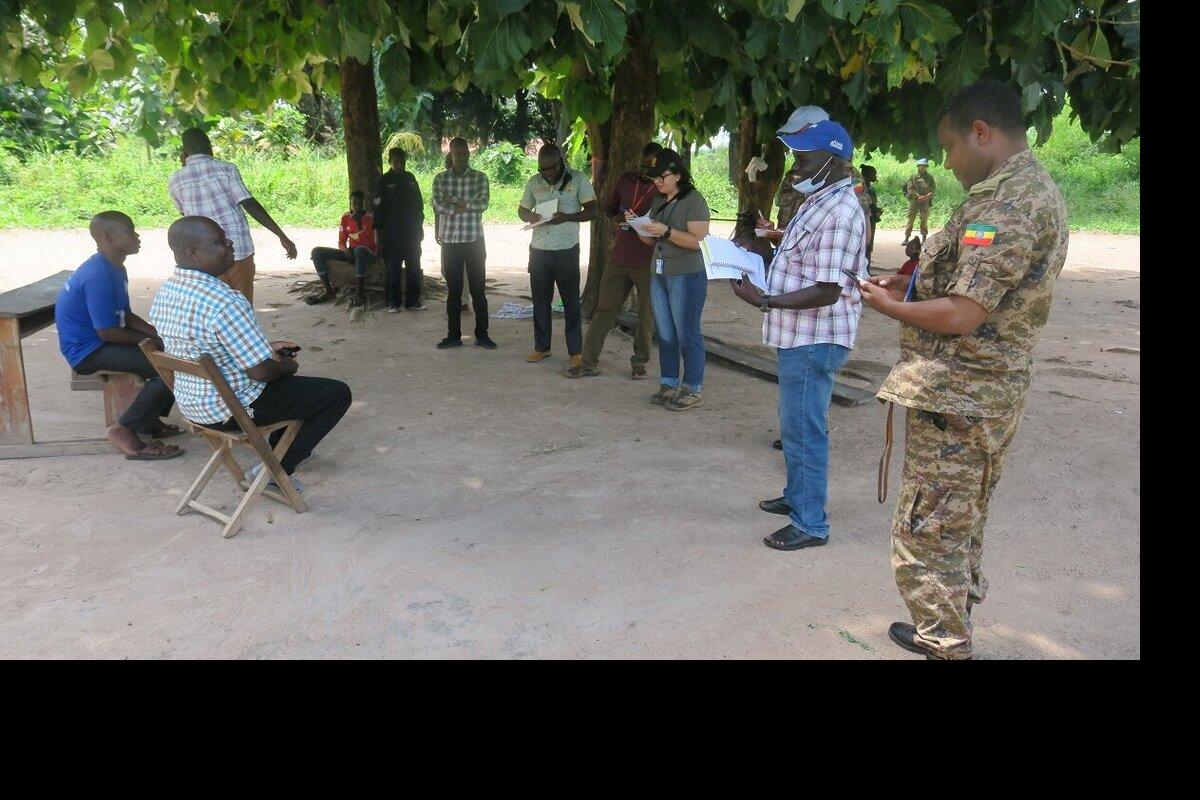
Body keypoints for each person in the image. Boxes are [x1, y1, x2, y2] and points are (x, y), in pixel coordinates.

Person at [859, 80, 1069, 660]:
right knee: (959, 519)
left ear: (981, 132)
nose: (948, 162)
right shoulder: (1019, 191)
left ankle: (945, 642)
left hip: (962, 394)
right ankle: (945, 627)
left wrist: (889, 306)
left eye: (950, 147)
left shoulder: (1008, 205)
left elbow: (963, 313)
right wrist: (908, 282)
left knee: (928, 529)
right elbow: (971, 281)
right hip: (980, 392)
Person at [731, 120, 865, 551]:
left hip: (815, 337)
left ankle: (810, 523)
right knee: (794, 424)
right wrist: (759, 252)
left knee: (805, 428)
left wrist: (765, 301)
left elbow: (828, 290)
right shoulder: (819, 201)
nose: (795, 167)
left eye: (804, 158)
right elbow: (801, 258)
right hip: (798, 334)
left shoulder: (841, 213)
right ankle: (797, 496)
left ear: (833, 161)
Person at [150, 216, 352, 491]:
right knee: (335, 393)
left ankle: (280, 449)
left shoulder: (168, 291)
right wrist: (286, 365)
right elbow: (261, 372)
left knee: (293, 388)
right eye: (219, 242)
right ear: (193, 254)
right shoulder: (225, 300)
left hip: (192, 403)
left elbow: (204, 345)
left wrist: (266, 349)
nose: (230, 244)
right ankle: (276, 470)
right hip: (229, 408)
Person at [55, 211, 183, 460]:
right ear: (108, 238)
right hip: (87, 351)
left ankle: (148, 421)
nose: (137, 236)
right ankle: (124, 429)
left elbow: (125, 315)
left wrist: (159, 334)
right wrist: (148, 342)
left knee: (170, 352)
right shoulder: (98, 276)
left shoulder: (113, 267)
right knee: (166, 368)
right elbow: (107, 332)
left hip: (100, 341)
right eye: (130, 231)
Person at [168, 127, 297, 304]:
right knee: (243, 305)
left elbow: (186, 217)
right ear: (210, 149)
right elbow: (249, 203)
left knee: (215, 305)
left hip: (205, 256)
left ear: (184, 154)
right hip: (237, 248)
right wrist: (282, 236)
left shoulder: (175, 179)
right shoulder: (227, 169)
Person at [569, 141, 661, 380]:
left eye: (652, 167)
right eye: (644, 165)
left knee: (646, 315)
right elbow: (608, 208)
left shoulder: (663, 190)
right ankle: (588, 362)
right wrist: (619, 218)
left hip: (647, 260)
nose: (647, 171)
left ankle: (639, 362)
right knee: (604, 309)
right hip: (620, 256)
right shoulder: (626, 181)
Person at [630, 148, 710, 411]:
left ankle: (692, 387)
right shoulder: (658, 200)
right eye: (654, 178)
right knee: (665, 332)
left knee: (687, 333)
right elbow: (650, 241)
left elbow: (698, 242)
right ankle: (668, 383)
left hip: (686, 274)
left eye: (662, 177)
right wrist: (638, 226)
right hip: (659, 272)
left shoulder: (693, 200)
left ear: (678, 174)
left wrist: (665, 230)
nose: (657, 182)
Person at [518, 143, 597, 372]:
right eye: (543, 169)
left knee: (570, 302)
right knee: (540, 301)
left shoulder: (578, 180)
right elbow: (522, 210)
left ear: (561, 162)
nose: (548, 173)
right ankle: (542, 347)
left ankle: (575, 352)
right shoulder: (534, 182)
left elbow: (593, 210)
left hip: (566, 250)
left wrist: (567, 217)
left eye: (551, 168)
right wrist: (531, 216)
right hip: (539, 249)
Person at [431, 138, 495, 349]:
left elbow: (482, 203)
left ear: (469, 153)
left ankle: (482, 335)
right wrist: (465, 206)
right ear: (451, 154)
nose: (462, 155)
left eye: (465, 152)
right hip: (451, 242)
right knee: (453, 292)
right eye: (458, 152)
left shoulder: (479, 178)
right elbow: (437, 205)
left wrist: (455, 201)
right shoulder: (440, 179)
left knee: (478, 291)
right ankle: (453, 336)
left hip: (474, 240)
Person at [374, 147, 425, 312]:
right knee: (393, 268)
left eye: (402, 161)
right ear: (390, 162)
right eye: (395, 161)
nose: (399, 164)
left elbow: (419, 204)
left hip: (411, 231)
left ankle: (412, 301)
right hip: (392, 233)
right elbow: (378, 210)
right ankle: (392, 303)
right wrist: (378, 236)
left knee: (414, 266)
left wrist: (420, 226)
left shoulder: (410, 178)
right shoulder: (383, 181)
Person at [306, 191, 376, 306]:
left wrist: (358, 222)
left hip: (366, 253)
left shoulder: (370, 218)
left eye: (360, 203)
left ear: (364, 204)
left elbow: (368, 242)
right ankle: (328, 290)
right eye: (354, 203)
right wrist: (345, 250)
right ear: (350, 203)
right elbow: (341, 241)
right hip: (352, 252)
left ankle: (359, 293)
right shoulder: (345, 218)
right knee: (316, 251)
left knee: (359, 250)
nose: (357, 206)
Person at [774, 106, 830, 231]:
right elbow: (785, 227)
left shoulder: (845, 176)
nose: (794, 137)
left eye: (798, 132)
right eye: (792, 133)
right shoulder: (792, 175)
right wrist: (774, 233)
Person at [903, 158, 937, 243]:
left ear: (926, 167)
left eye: (924, 166)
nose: (922, 167)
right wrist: (918, 196)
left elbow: (933, 188)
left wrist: (928, 196)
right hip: (914, 201)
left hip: (925, 202)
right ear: (918, 166)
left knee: (924, 220)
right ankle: (906, 238)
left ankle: (924, 239)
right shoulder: (913, 176)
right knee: (910, 219)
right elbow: (910, 188)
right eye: (921, 166)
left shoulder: (929, 177)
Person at [859, 164, 881, 262]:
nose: (875, 176)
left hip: (870, 219)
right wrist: (874, 209)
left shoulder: (870, 188)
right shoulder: (858, 186)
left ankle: (866, 267)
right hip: (863, 220)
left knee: (868, 246)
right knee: (864, 245)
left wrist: (876, 210)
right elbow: (865, 202)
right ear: (867, 174)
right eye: (873, 174)